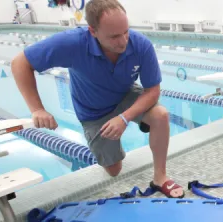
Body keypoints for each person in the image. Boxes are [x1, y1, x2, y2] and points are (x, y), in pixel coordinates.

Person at [10, 0, 184, 198]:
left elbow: (152, 90)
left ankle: (160, 177)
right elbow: (19, 63)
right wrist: (37, 109)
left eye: (126, 31)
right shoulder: (72, 43)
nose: (123, 41)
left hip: (125, 95)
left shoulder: (140, 44)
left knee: (161, 115)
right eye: (114, 36)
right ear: (93, 31)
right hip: (94, 111)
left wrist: (124, 118)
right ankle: (114, 143)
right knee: (114, 170)